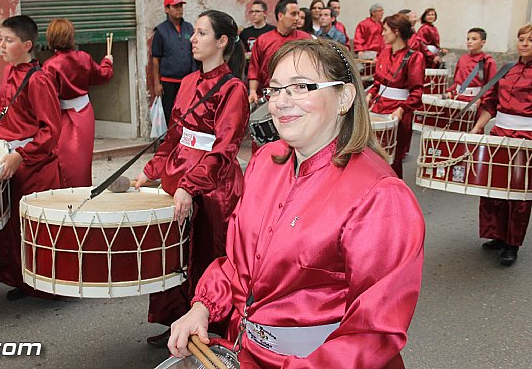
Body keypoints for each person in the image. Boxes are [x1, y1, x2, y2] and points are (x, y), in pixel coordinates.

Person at [167, 39, 425, 368]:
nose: (281, 102)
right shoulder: (264, 162)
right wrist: (202, 307)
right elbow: (236, 263)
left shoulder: (381, 195)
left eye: (300, 87)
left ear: (344, 97)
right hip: (246, 353)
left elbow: (374, 330)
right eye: (275, 89)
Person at [136, 10, 250, 347]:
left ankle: (211, 328)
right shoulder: (187, 82)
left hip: (214, 184)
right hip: (178, 173)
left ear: (223, 41)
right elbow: (174, 135)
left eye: (201, 33)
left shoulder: (234, 89)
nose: (192, 39)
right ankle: (176, 322)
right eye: (194, 32)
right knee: (173, 255)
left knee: (206, 254)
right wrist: (151, 170)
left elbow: (225, 146)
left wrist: (191, 184)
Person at [0, 15, 62, 300]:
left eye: (8, 40)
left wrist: (22, 155)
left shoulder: (39, 80)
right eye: (1, 39)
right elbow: (4, 109)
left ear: (27, 45)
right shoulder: (9, 71)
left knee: (37, 230)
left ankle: (47, 286)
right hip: (10, 160)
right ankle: (23, 281)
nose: (2, 45)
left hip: (35, 165)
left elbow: (51, 131)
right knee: (13, 227)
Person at [470, 23, 532, 266]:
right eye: (521, 39)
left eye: (530, 39)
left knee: (518, 194)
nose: (524, 43)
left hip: (525, 138)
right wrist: (478, 126)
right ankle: (496, 234)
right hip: (499, 133)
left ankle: (512, 243)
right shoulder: (507, 69)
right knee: (493, 188)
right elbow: (491, 102)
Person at [43, 18, 114, 188]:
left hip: (60, 117)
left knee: (64, 162)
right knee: (83, 160)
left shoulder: (49, 66)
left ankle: (64, 196)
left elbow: (46, 97)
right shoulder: (84, 57)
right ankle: (83, 192)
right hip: (84, 113)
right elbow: (103, 75)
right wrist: (108, 62)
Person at [367, 13, 425, 178]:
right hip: (378, 106)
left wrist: (403, 108)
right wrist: (371, 94)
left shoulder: (415, 57)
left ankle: (393, 193)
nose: (382, 34)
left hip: (398, 112)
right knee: (371, 155)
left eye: (385, 30)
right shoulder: (384, 52)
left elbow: (416, 92)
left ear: (397, 31)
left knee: (393, 158)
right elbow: (378, 81)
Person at [248, 0, 313, 103]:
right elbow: (254, 68)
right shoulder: (263, 40)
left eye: (298, 14)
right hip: (269, 96)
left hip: (298, 96)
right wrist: (252, 91)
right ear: (280, 16)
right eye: (293, 14)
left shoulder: (306, 39)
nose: (297, 18)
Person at [152, 0, 197, 124]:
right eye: (175, 6)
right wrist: (156, 83)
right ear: (167, 9)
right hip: (168, 81)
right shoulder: (161, 31)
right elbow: (156, 58)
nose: (179, 9)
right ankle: (170, 142)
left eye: (181, 6)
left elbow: (194, 52)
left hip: (187, 81)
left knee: (187, 111)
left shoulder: (189, 27)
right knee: (169, 113)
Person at [445, 27, 496, 102]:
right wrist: (450, 91)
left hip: (474, 100)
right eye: (468, 39)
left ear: (483, 42)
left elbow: (491, 85)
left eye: (474, 39)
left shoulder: (487, 61)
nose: (469, 42)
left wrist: (482, 99)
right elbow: (457, 80)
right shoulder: (463, 58)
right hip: (457, 97)